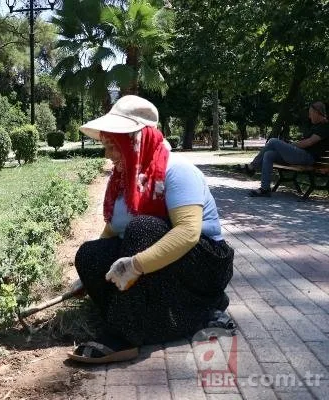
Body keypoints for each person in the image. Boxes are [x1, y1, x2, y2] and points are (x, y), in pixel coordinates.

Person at [67, 95, 234, 364]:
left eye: (113, 145)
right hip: (162, 263)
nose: (107, 154)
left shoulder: (177, 170)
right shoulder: (125, 178)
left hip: (204, 264)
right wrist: (90, 275)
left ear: (136, 141)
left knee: (142, 228)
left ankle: (124, 335)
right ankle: (168, 319)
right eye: (106, 145)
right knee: (90, 254)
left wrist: (136, 264)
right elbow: (113, 229)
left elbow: (188, 232)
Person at [238, 101, 329, 197]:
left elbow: (309, 142)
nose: (309, 117)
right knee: (268, 154)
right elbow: (305, 142)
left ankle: (252, 167)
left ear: (317, 112)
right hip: (300, 155)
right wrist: (289, 145)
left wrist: (291, 146)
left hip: (307, 157)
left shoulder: (325, 126)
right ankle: (265, 189)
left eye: (311, 114)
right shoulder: (317, 126)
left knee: (273, 141)